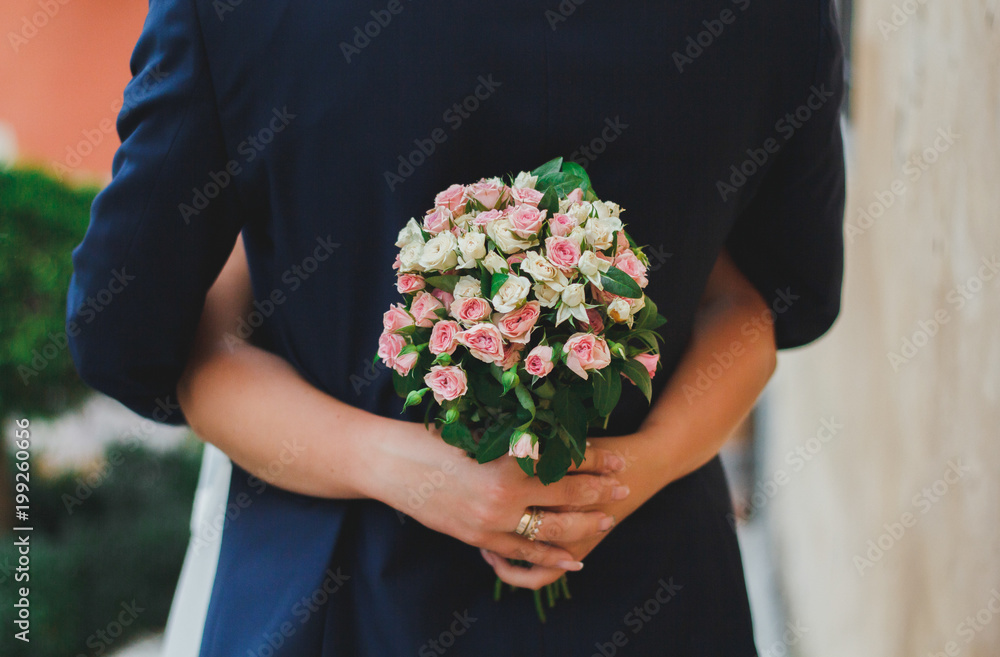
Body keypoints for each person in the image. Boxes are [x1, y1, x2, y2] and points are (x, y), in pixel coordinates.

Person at [67, 0, 847, 654]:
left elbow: (130, 335)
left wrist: (401, 461)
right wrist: (629, 472)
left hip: (339, 603)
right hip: (654, 594)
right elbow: (772, 301)